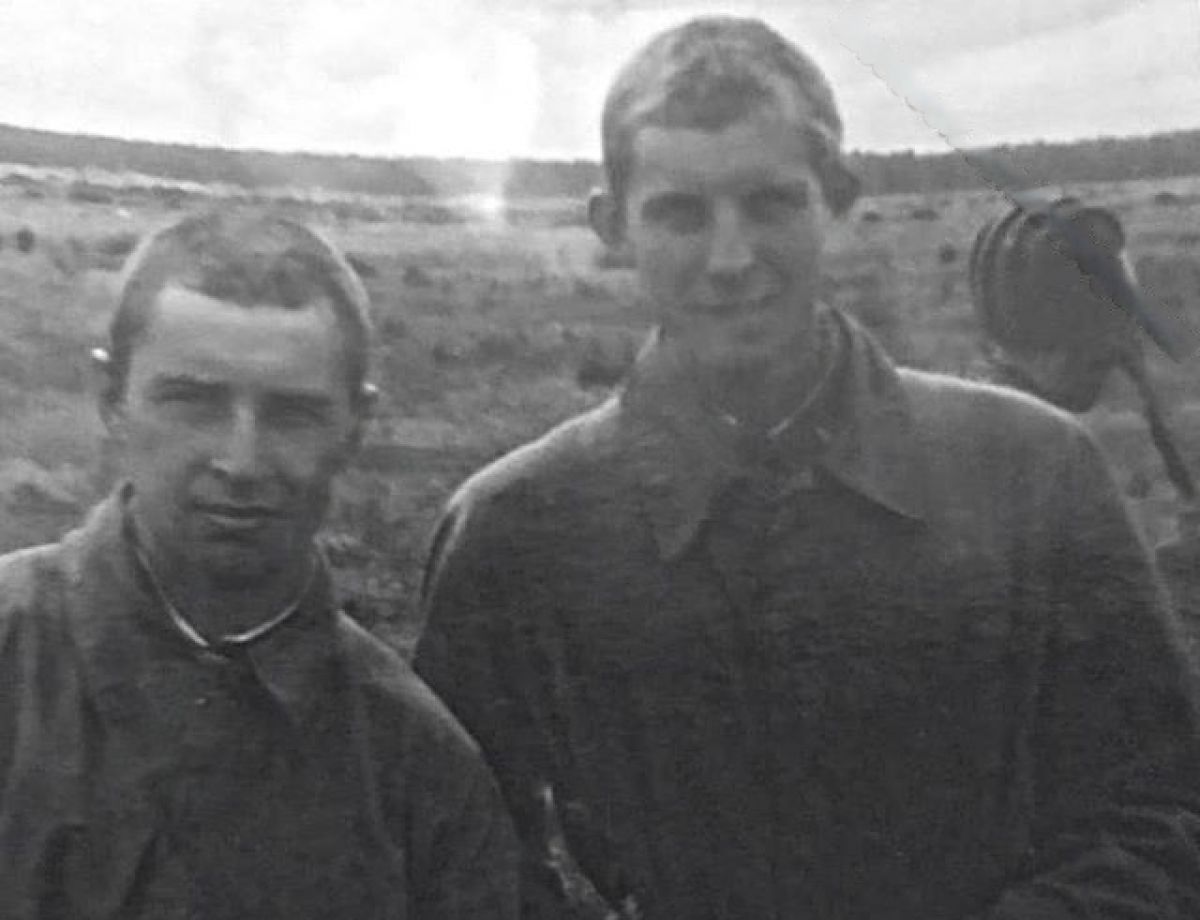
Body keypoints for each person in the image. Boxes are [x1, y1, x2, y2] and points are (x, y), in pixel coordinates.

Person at [415, 17, 1200, 920]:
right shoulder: (517, 529)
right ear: (612, 226)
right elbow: (456, 863)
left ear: (837, 199)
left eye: (771, 204)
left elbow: (1162, 819)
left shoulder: (1035, 472)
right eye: (680, 213)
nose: (731, 258)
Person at [0, 211, 519, 919]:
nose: (241, 461)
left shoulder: (418, 771)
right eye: (194, 403)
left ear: (354, 428)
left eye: (291, 414)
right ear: (111, 399)